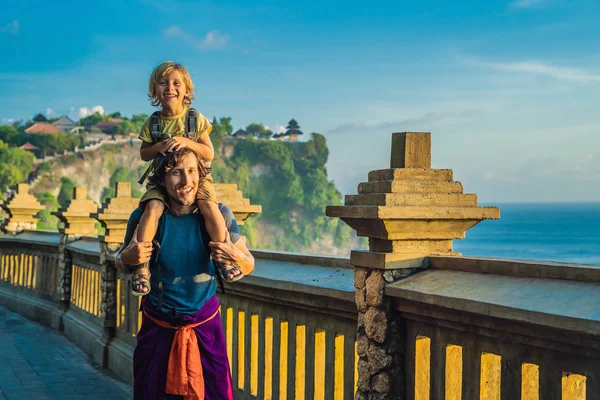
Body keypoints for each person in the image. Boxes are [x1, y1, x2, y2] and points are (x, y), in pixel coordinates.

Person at [116, 147, 254, 399]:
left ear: (201, 176)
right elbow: (123, 264)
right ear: (162, 178)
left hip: (204, 327)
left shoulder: (219, 214)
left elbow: (248, 264)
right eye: (176, 172)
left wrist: (233, 256)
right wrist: (127, 257)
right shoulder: (144, 217)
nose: (186, 181)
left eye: (192, 171)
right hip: (158, 325)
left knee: (214, 393)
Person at [132, 61, 242, 296]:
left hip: (197, 180)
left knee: (210, 208)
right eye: (163, 83)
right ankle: (141, 267)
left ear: (186, 90)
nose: (169, 87)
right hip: (162, 180)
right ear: (155, 90)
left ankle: (224, 257)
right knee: (152, 209)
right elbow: (144, 154)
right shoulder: (153, 123)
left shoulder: (194, 118)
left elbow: (209, 152)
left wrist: (188, 142)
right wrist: (159, 146)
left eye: (175, 83)